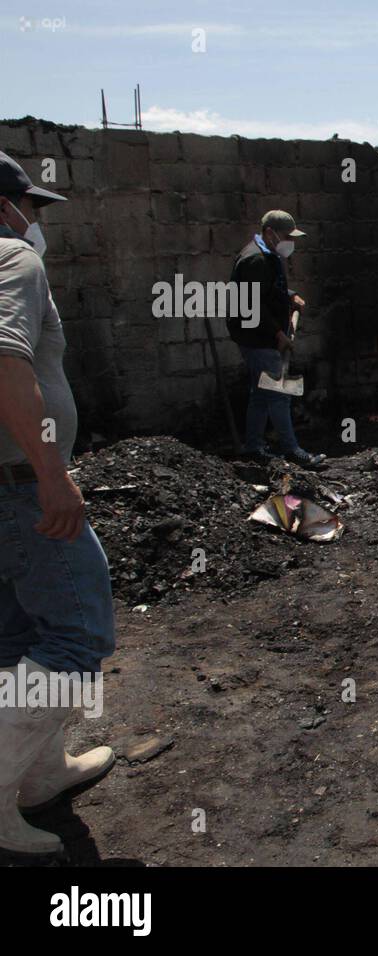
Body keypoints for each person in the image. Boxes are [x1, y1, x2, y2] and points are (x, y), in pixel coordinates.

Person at [0, 151, 115, 856]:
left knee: (16, 636)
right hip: (18, 486)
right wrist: (48, 472)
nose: (35, 222)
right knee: (75, 639)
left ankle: (40, 776)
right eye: (31, 207)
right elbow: (5, 358)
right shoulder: (13, 259)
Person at [228, 210, 324, 468]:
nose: (290, 243)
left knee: (261, 393)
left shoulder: (268, 255)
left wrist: (290, 295)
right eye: (286, 237)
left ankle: (253, 447)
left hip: (262, 336)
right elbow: (252, 304)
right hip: (256, 337)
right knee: (279, 391)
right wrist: (278, 333)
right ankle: (291, 450)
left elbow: (269, 289)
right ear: (270, 233)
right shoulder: (254, 260)